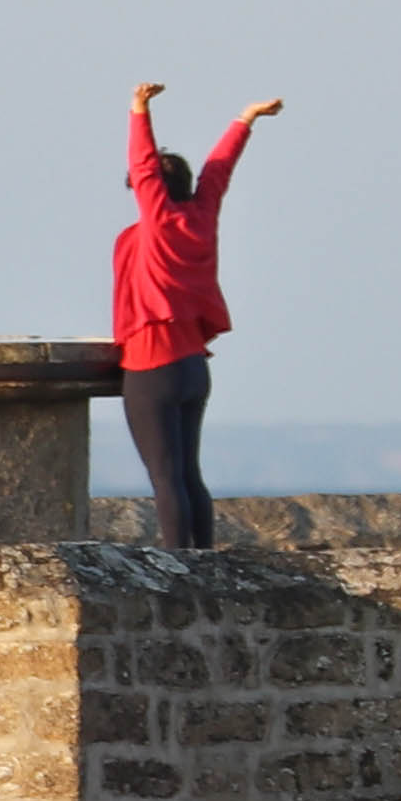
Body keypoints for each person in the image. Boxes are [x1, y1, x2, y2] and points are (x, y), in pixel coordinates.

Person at [114, 81, 277, 549]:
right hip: (192, 367)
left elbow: (144, 166)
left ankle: (178, 565)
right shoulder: (202, 218)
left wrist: (138, 110)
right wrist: (245, 119)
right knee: (188, 474)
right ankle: (204, 562)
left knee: (165, 477)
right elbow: (218, 171)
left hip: (152, 366)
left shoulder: (159, 224)